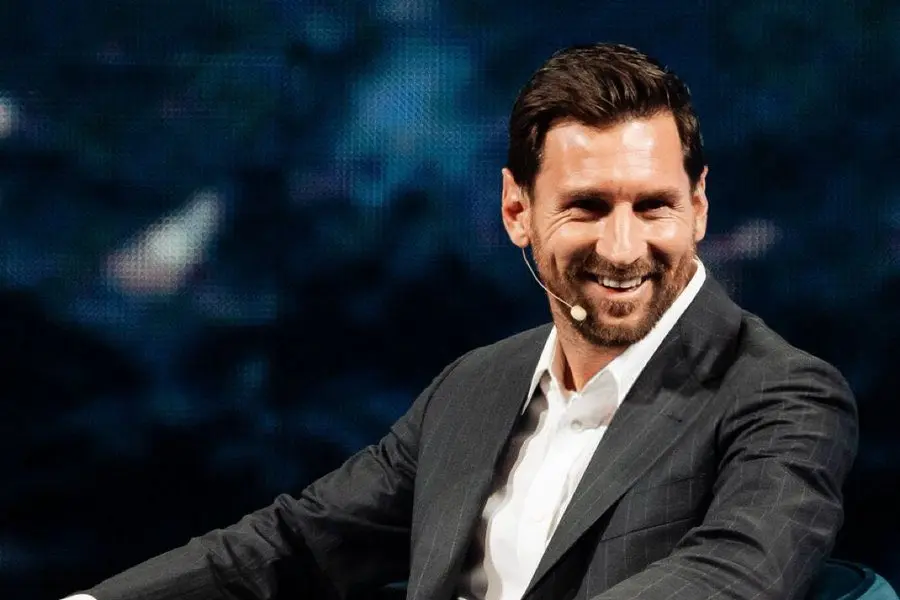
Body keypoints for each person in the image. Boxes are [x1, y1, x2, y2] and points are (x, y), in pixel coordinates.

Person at [64, 43, 858, 600]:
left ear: (699, 208)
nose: (623, 247)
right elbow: (298, 543)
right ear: (517, 212)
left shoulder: (784, 395)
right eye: (586, 207)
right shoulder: (474, 387)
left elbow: (732, 578)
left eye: (653, 206)